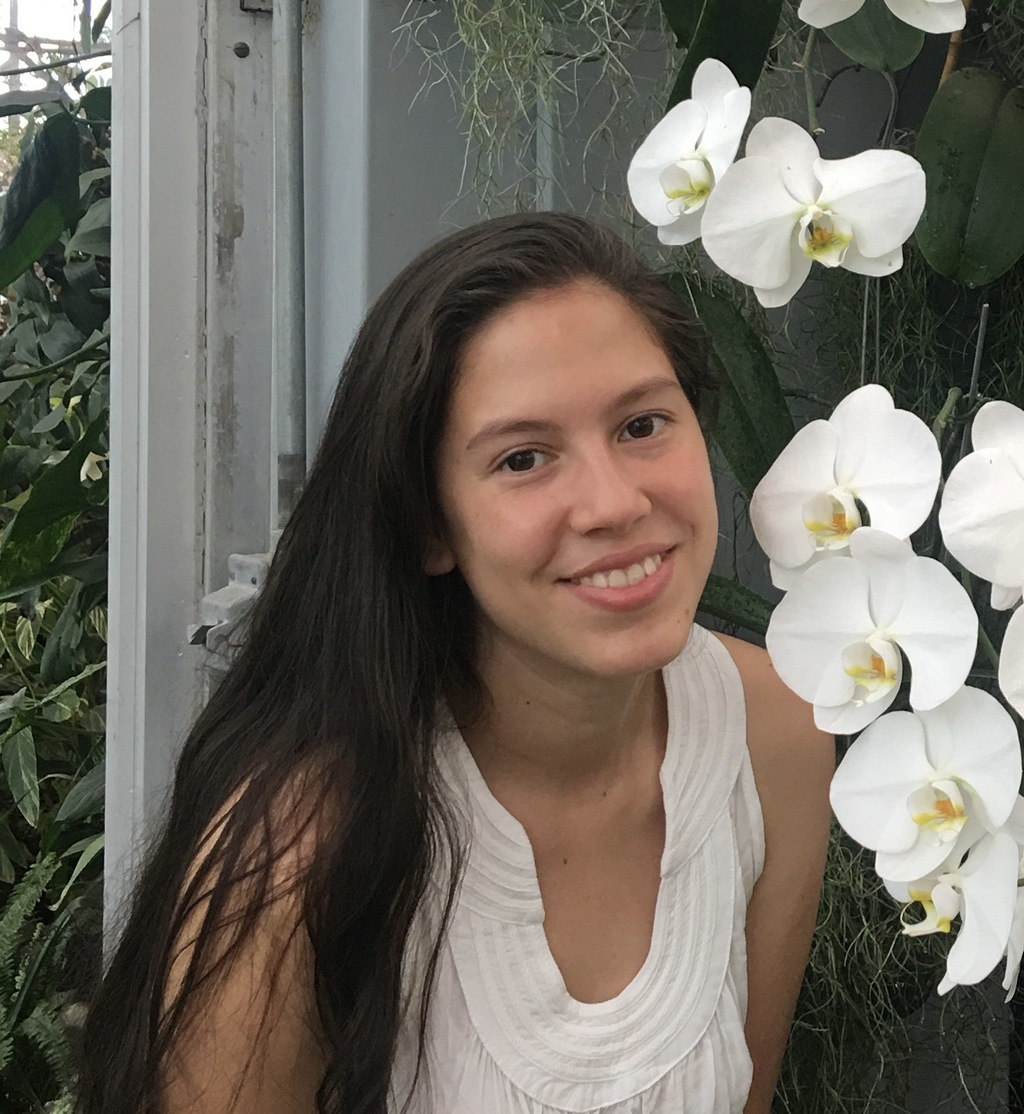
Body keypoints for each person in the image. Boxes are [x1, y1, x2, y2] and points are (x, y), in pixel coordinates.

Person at [78, 212, 833, 1114]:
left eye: (642, 424)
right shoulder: (302, 855)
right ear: (429, 525)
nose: (614, 502)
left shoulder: (776, 732)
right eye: (524, 458)